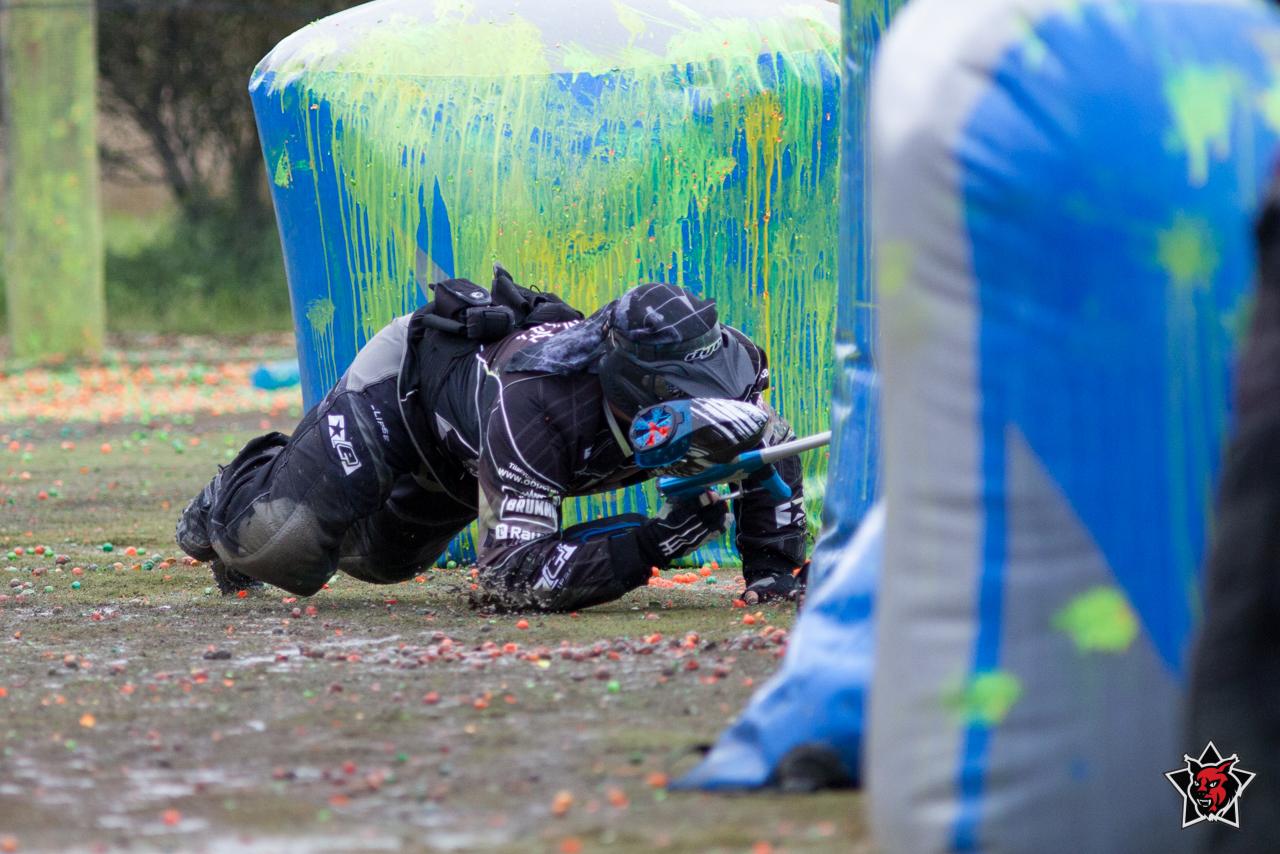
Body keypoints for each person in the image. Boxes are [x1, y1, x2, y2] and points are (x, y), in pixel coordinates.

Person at [174, 270, 809, 612]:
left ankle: (314, 492)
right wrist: (652, 544)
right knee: (279, 543)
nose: (708, 401)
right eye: (681, 389)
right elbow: (510, 582)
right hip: (405, 394)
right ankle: (226, 501)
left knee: (383, 564)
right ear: (631, 382)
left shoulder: (733, 370)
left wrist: (773, 572)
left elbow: (770, 459)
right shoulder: (542, 404)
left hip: (470, 457)